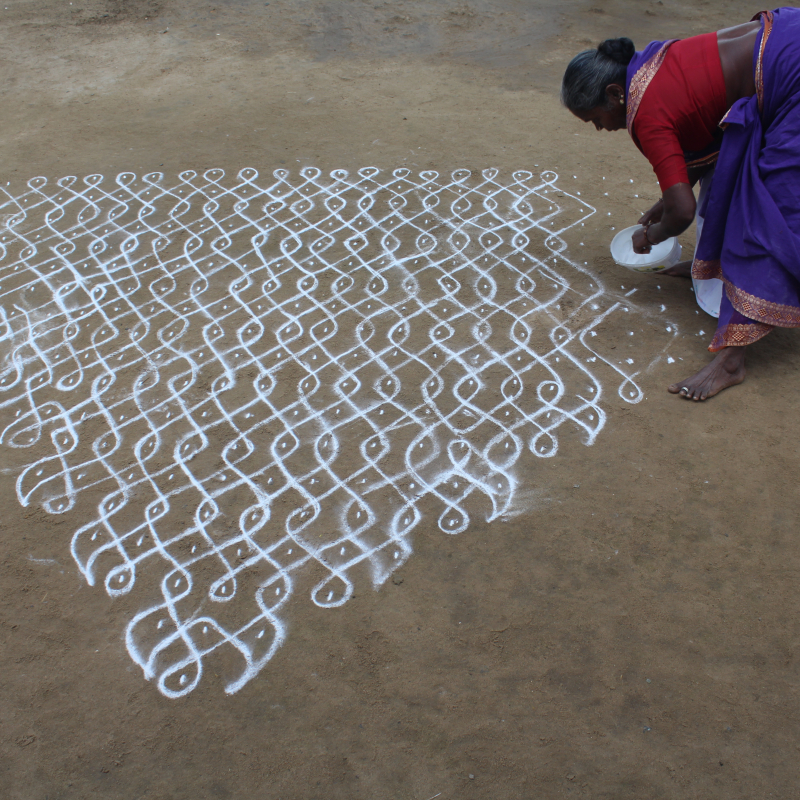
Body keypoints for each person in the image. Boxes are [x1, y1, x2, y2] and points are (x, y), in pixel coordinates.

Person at [561, 8, 800, 401]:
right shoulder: (649, 64)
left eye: (595, 118)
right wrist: (666, 201)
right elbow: (703, 128)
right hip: (785, 37)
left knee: (766, 210)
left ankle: (731, 361)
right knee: (733, 170)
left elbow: (684, 212)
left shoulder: (647, 115)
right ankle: (715, 266)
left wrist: (652, 236)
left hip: (791, 76)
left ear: (614, 94)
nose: (600, 128)